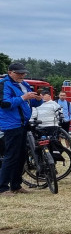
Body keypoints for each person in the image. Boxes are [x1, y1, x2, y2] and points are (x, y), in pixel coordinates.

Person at [0, 62, 42, 196]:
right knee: (11, 156)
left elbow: (30, 102)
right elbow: (5, 104)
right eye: (19, 73)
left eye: (23, 73)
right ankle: (2, 188)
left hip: (24, 123)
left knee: (22, 155)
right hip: (11, 124)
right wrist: (23, 97)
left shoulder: (24, 84)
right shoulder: (4, 84)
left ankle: (16, 185)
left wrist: (38, 99)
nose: (22, 75)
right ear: (10, 72)